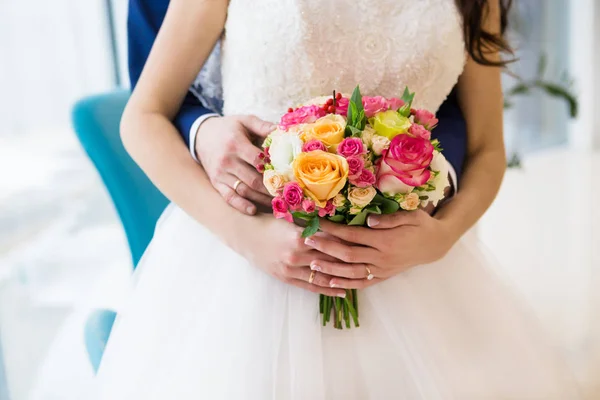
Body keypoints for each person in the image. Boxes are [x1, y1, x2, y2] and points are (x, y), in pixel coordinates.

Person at [97, 0, 581, 398]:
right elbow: (142, 118)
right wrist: (248, 238)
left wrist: (443, 236)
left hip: (411, 269)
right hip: (247, 269)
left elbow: (486, 150)